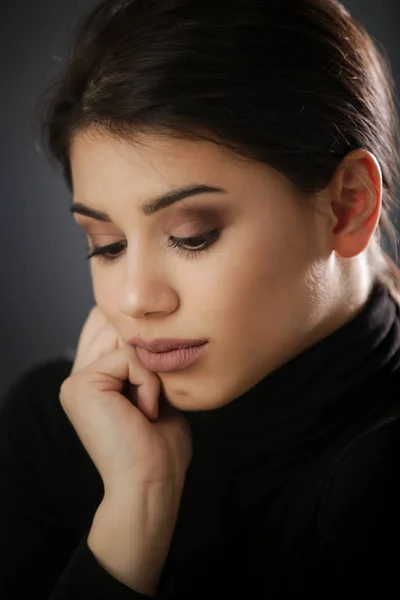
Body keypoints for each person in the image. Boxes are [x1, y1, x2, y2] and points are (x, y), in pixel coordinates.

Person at [2, 0, 400, 597]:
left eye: (193, 236)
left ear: (348, 204)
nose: (135, 298)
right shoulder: (52, 431)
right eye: (107, 245)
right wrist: (135, 507)